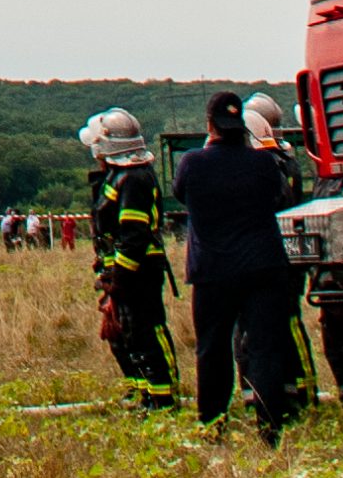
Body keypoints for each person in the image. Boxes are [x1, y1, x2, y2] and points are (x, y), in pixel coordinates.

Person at [172, 91, 299, 443]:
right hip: (263, 268)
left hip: (213, 271)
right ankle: (271, 427)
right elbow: (277, 198)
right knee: (264, 347)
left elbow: (182, 194)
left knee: (212, 349)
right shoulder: (263, 164)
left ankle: (213, 425)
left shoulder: (192, 163)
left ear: (210, 124)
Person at [81, 107, 179, 411]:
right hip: (122, 272)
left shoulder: (133, 179)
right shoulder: (118, 176)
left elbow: (133, 236)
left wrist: (119, 280)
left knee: (146, 331)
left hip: (139, 272)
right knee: (126, 335)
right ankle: (142, 391)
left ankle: (163, 398)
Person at [240, 94, 318, 415]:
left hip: (280, 258)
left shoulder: (277, 163)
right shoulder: (283, 159)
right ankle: (274, 390)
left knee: (287, 324)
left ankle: (300, 387)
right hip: (276, 257)